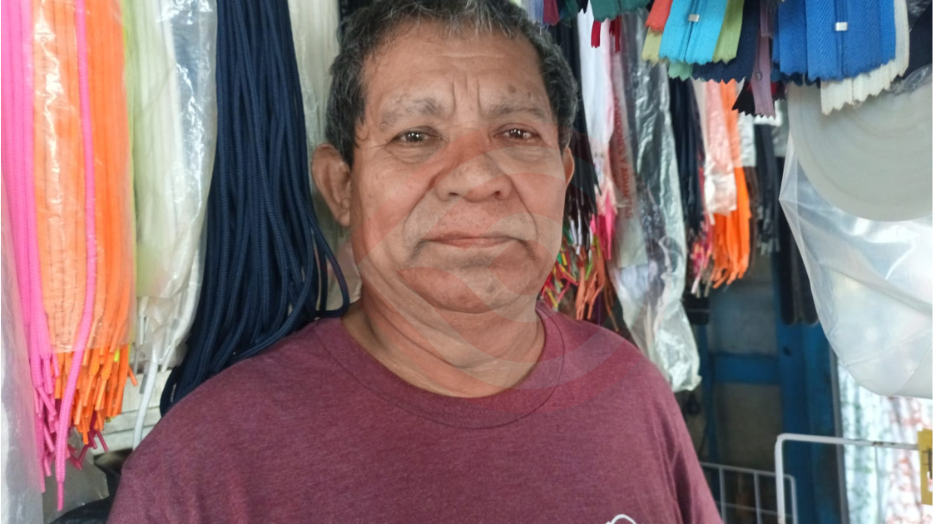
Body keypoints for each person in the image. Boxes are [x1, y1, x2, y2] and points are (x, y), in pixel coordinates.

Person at [109, 1, 720, 522]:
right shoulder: (202, 467)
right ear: (341, 186)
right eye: (415, 136)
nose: (476, 178)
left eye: (516, 133)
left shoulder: (633, 393)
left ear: (563, 175)